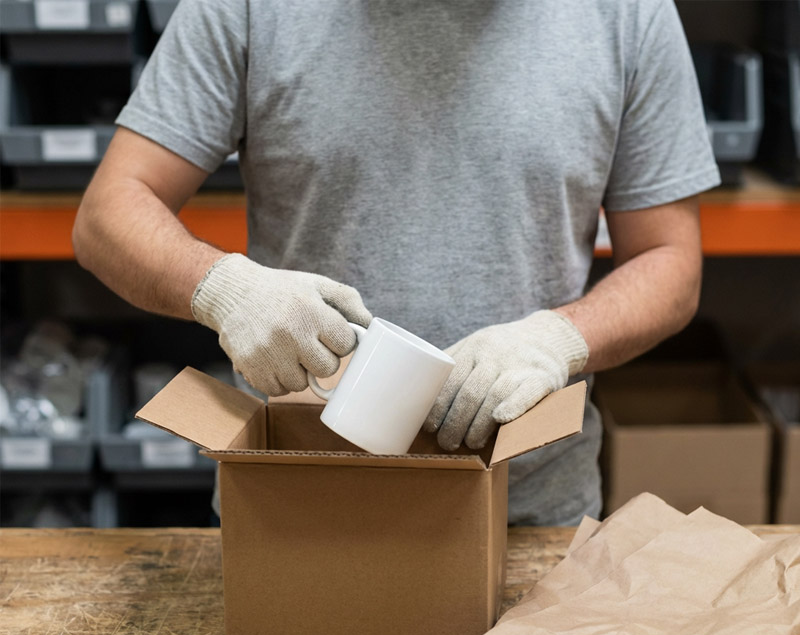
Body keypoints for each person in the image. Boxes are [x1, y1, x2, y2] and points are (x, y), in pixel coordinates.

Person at [72, 0, 720, 526]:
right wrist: (225, 291)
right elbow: (108, 214)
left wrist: (560, 340)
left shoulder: (627, 14)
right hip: (295, 505)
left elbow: (670, 261)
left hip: (526, 510)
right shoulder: (249, 8)